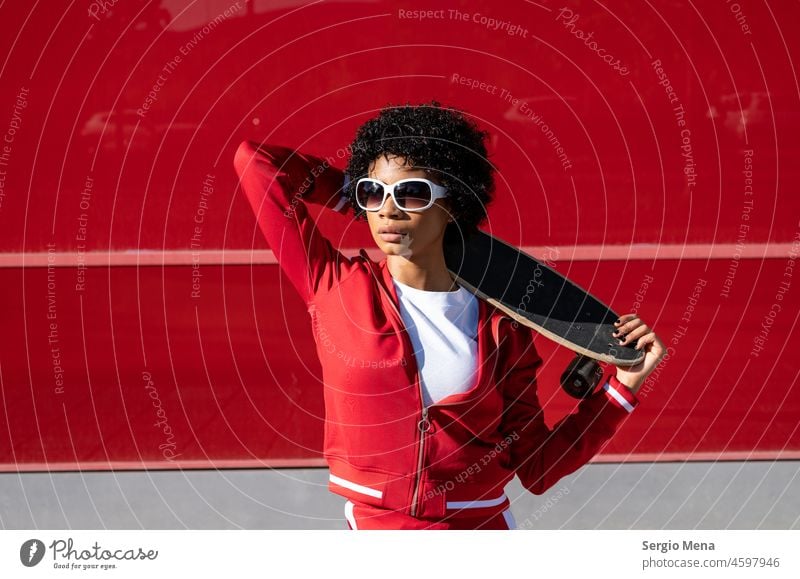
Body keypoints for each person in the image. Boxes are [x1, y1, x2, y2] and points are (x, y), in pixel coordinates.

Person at [233, 99, 665, 530]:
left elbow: (539, 469)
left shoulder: (504, 329)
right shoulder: (333, 286)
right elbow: (256, 163)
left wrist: (622, 390)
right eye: (375, 192)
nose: (388, 210)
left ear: (454, 204)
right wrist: (346, 193)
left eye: (412, 193)